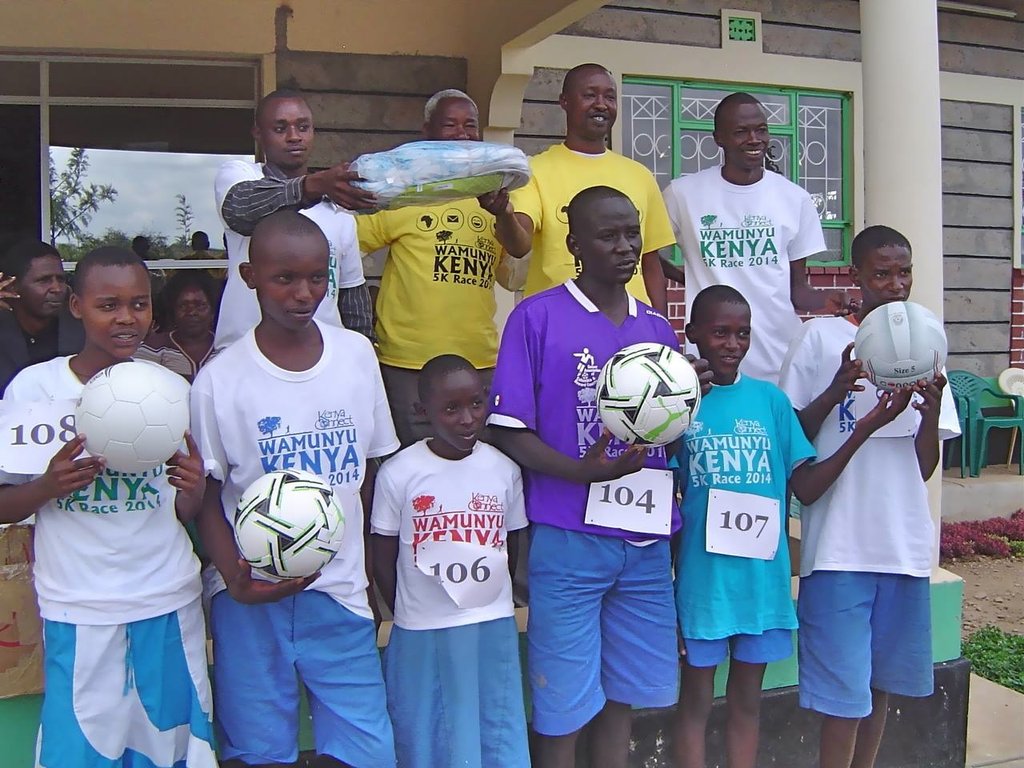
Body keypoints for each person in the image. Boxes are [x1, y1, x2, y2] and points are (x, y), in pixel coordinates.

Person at [488, 185, 707, 768]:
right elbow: (509, 430)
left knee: (624, 697)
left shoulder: (658, 330)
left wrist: (688, 398)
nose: (624, 246)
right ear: (575, 242)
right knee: (562, 701)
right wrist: (583, 472)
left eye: (632, 234)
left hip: (643, 540)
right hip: (568, 535)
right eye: (608, 235)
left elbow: (668, 433)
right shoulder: (536, 318)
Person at [673, 284, 919, 768]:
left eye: (742, 333)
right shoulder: (681, 407)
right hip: (705, 586)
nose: (732, 344)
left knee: (746, 703)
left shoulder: (769, 401)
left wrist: (863, 428)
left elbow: (805, 487)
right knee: (695, 704)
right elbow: (661, 480)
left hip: (762, 587)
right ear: (693, 334)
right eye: (720, 333)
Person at [191, 210, 398, 768]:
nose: (303, 293)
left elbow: (371, 472)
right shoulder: (220, 379)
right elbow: (207, 495)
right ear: (249, 275)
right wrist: (233, 576)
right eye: (285, 278)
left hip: (340, 593)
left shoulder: (356, 357)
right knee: (260, 750)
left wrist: (372, 577)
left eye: (316, 278)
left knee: (365, 748)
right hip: (251, 599)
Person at [0, 246, 214, 767]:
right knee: (80, 753)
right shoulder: (38, 388)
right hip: (81, 607)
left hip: (167, 598)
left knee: (172, 752)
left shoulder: (171, 389)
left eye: (139, 304)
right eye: (108, 304)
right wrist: (49, 485)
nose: (126, 318)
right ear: (77, 306)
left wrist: (193, 487)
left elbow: (184, 510)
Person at [778, 225, 960, 768]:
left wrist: (927, 415)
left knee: (882, 684)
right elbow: (793, 435)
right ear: (856, 275)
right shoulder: (820, 339)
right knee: (842, 694)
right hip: (837, 547)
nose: (896, 284)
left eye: (904, 272)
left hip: (901, 546)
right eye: (882, 273)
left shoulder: (926, 340)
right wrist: (840, 392)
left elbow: (924, 465)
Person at [370, 354, 530, 768]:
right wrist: (409, 608)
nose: (467, 419)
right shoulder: (399, 473)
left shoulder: (504, 469)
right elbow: (383, 556)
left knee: (494, 727)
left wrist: (488, 598)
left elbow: (511, 544)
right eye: (451, 408)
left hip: (490, 624)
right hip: (423, 629)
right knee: (429, 733)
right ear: (423, 412)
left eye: (476, 404)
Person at [357, 89, 525, 445]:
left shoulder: (494, 193)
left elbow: (519, 252)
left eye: (470, 126)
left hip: (477, 360)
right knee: (413, 462)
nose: (462, 134)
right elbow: (349, 247)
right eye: (450, 125)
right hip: (408, 363)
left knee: (476, 459)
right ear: (427, 132)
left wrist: (503, 212)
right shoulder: (404, 193)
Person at [661, 92, 853, 384]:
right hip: (709, 364)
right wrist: (685, 276)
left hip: (779, 361)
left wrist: (827, 299)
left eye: (761, 130)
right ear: (719, 138)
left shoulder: (795, 199)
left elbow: (797, 290)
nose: (754, 139)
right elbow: (646, 251)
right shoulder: (683, 194)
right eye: (741, 132)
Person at [489, 63, 674, 315]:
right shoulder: (535, 171)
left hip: (630, 328)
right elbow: (519, 245)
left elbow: (651, 263)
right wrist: (504, 213)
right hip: (560, 324)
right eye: (589, 95)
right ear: (564, 102)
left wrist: (660, 329)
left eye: (609, 97)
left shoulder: (639, 175)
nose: (601, 104)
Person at [214, 88, 376, 348]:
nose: (294, 137)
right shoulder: (240, 176)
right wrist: (313, 185)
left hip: (324, 362)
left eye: (303, 127)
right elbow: (239, 209)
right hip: (244, 356)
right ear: (258, 134)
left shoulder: (337, 207)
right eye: (280, 128)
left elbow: (351, 294)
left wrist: (364, 351)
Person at [0, 238, 84, 395]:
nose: (57, 289)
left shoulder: (80, 331)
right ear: (12, 286)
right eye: (44, 280)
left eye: (60, 279)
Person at [136, 270, 219, 381]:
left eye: (200, 305)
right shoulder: (153, 348)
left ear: (212, 310)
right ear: (173, 309)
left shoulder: (224, 348)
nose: (192, 312)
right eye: (183, 306)